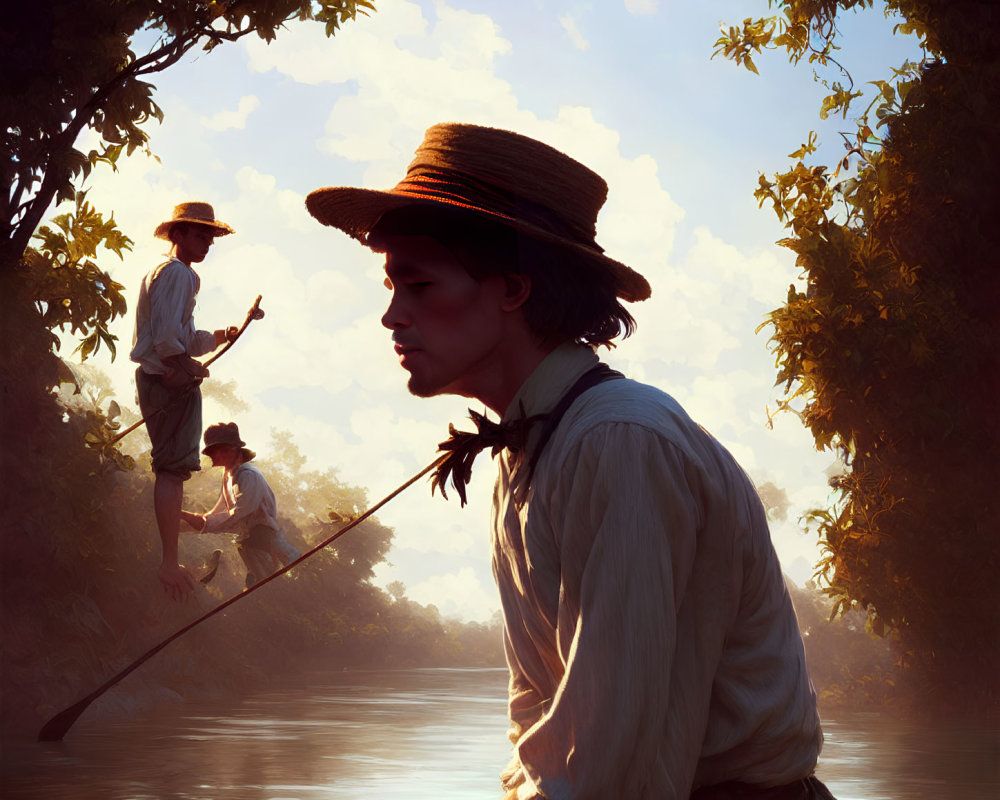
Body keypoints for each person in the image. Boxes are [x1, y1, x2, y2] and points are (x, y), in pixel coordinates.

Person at [305, 123, 836, 800]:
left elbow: (616, 760)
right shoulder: (528, 450)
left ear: (513, 289)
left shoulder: (619, 445)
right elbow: (539, 713)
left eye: (418, 285)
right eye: (391, 287)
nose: (391, 316)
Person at [130, 202, 238, 602]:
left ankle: (169, 559)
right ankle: (169, 562)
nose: (206, 242)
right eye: (198, 234)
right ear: (176, 235)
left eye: (210, 236)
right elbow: (165, 339)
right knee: (172, 471)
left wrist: (219, 337)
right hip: (167, 380)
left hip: (165, 376)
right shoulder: (175, 273)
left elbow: (182, 333)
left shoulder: (183, 276)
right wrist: (187, 367)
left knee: (172, 469)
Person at [181, 422, 301, 588]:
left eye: (213, 451)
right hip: (248, 541)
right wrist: (180, 521)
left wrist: (199, 521)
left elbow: (239, 513)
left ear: (228, 449)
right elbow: (217, 512)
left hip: (266, 538)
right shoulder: (229, 475)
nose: (211, 456)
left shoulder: (248, 475)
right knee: (262, 582)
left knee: (289, 570)